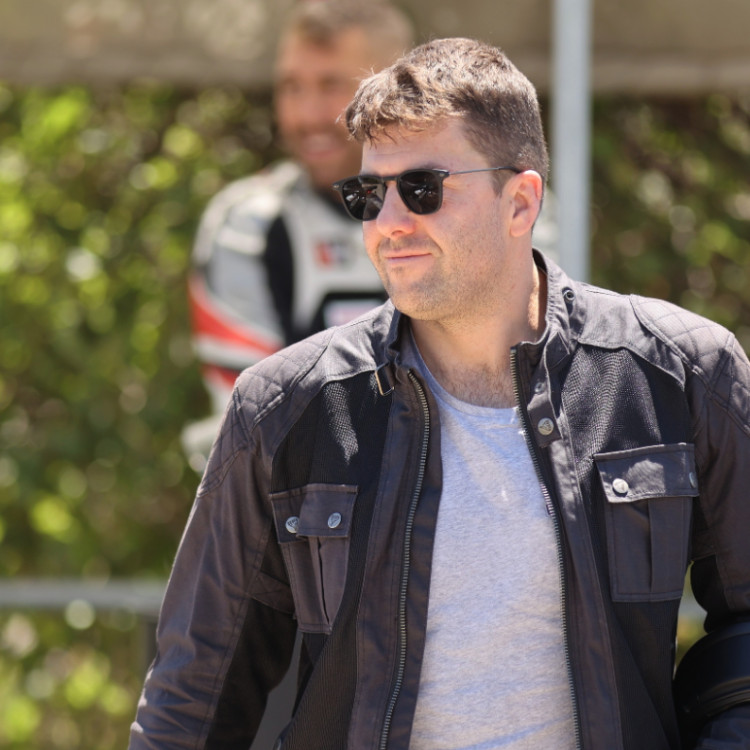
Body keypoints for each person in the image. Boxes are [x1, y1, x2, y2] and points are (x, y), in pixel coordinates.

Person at [130, 38, 750, 749]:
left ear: (520, 202)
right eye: (369, 196)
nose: (389, 224)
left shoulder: (683, 374)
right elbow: (192, 695)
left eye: (422, 189)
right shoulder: (282, 408)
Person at [182, 0, 415, 466]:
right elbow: (252, 432)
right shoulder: (247, 226)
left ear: (404, 91)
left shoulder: (496, 203)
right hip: (307, 508)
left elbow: (528, 392)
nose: (307, 116)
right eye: (291, 87)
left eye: (332, 86)